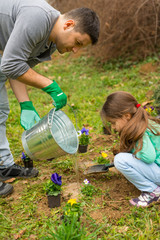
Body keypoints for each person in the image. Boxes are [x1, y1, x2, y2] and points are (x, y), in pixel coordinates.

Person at [0, 0, 100, 196]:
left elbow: (19, 68)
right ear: (68, 24)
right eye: (78, 42)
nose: (75, 50)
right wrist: (51, 86)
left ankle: (3, 165)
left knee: (1, 110)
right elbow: (11, 65)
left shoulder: (50, 42)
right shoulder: (38, 17)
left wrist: (25, 104)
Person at [101, 91, 160, 207]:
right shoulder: (144, 122)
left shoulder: (141, 130)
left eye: (113, 123)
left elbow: (148, 157)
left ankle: (153, 191)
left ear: (127, 116)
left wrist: (131, 156)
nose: (113, 127)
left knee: (120, 160)